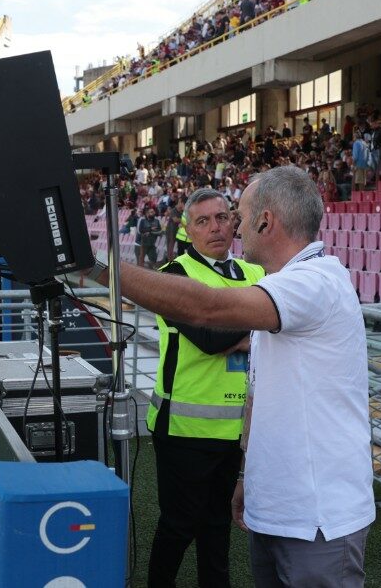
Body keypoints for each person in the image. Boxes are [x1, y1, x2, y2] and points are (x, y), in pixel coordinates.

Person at [109, 167, 374, 587]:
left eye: (239, 215)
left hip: (316, 517)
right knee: (181, 526)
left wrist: (98, 270)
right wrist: (249, 477)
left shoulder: (313, 283)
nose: (233, 226)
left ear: (265, 221)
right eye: (210, 219)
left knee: (209, 535)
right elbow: (257, 389)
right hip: (271, 502)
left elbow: (208, 313)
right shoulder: (282, 282)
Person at [145, 188, 264, 588]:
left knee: (217, 528)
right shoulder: (173, 277)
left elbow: (276, 325)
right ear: (189, 230)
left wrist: (247, 332)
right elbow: (209, 339)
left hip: (234, 431)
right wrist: (256, 328)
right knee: (178, 527)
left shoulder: (254, 273)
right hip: (183, 429)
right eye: (202, 221)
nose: (214, 227)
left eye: (221, 218)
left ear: (234, 222)